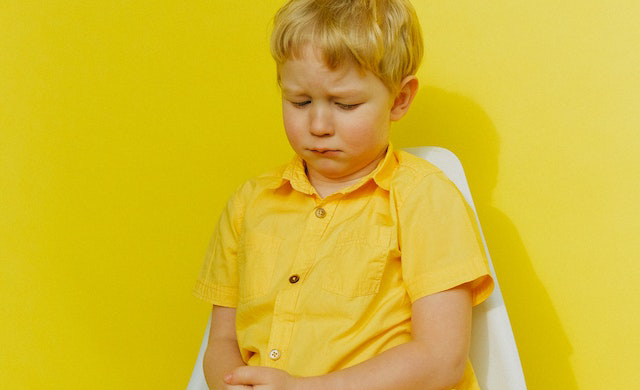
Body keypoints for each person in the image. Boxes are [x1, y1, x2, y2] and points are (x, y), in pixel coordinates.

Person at [194, 0, 494, 389]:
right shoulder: (251, 202)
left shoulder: (424, 198)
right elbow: (221, 340)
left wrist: (300, 389)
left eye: (345, 104)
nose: (318, 125)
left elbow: (440, 360)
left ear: (399, 100)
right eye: (299, 101)